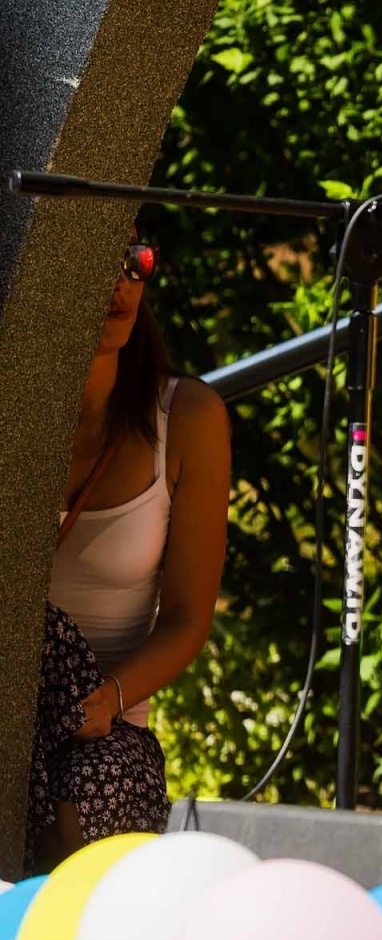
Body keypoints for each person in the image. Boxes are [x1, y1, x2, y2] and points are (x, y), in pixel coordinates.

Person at [41, 235, 232, 866]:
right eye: (100, 255)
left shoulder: (189, 417)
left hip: (104, 722)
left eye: (136, 259)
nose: (122, 280)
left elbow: (187, 619)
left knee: (90, 787)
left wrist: (109, 699)